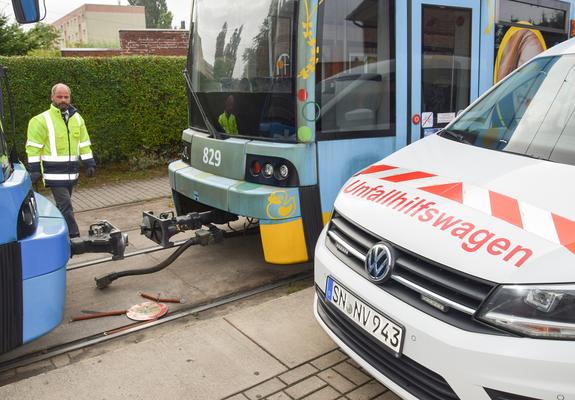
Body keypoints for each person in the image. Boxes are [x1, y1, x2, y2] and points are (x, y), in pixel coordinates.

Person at [26, 83, 95, 238]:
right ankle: (73, 236)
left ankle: (57, 231)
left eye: (66, 97)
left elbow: (84, 143)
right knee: (66, 205)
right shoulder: (41, 120)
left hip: (72, 173)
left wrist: (89, 163)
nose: (63, 100)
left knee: (61, 207)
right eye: (59, 96)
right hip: (54, 174)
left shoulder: (77, 118)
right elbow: (33, 147)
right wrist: (35, 169)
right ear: (52, 98)